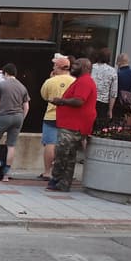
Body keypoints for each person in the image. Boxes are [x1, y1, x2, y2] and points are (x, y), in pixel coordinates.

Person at [46, 57, 97, 193]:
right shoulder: (81, 81)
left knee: (62, 152)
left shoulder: (84, 81)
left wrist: (61, 101)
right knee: (69, 156)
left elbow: (79, 101)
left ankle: (56, 179)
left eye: (77, 64)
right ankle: (63, 183)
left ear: (85, 67)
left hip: (73, 125)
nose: (73, 65)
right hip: (72, 124)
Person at [0, 62, 29, 180]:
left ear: (5, 73)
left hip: (4, 116)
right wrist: (22, 118)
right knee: (11, 145)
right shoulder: (22, 87)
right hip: (18, 117)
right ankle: (5, 174)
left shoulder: (1, 85)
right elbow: (26, 107)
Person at [38, 54, 74, 182]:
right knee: (66, 145)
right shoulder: (74, 81)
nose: (53, 67)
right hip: (68, 116)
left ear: (58, 67)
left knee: (50, 143)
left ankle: (47, 172)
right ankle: (64, 172)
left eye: (54, 65)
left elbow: (44, 95)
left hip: (51, 116)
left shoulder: (50, 81)